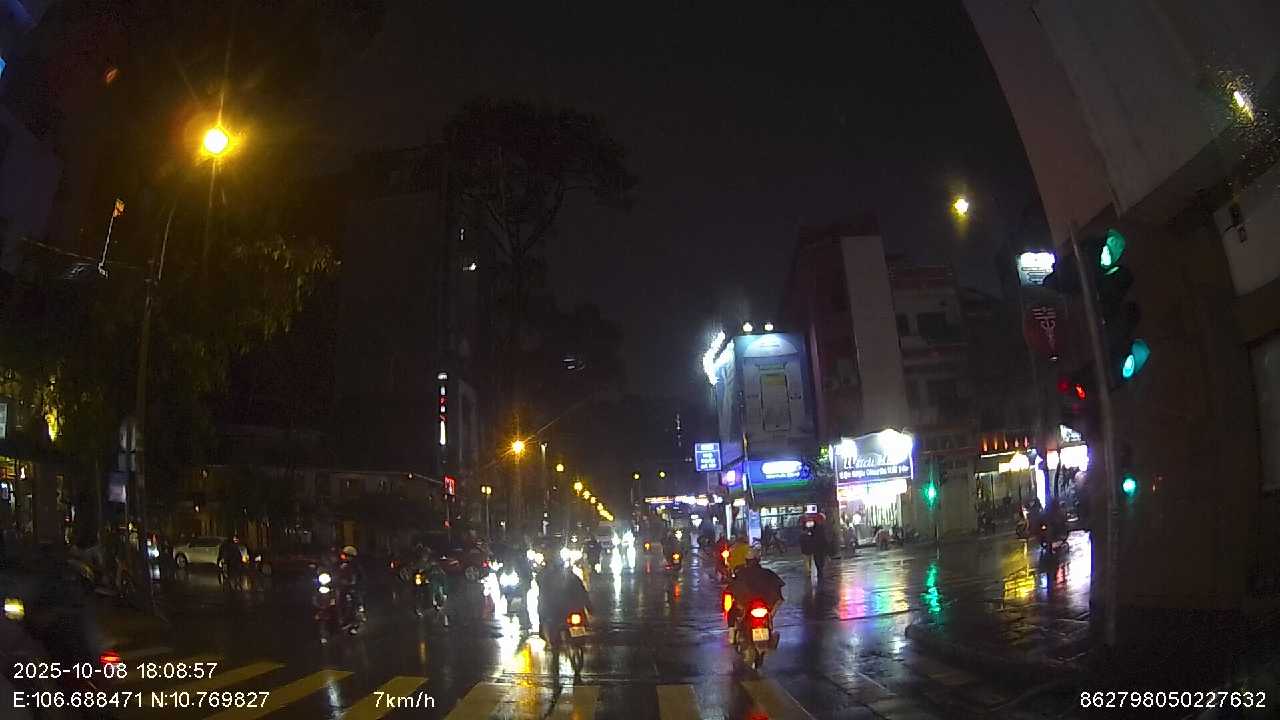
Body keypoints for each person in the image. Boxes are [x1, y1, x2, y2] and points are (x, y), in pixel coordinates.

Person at [726, 547, 785, 637]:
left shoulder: (741, 573)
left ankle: (731, 636)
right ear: (758, 560)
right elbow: (778, 590)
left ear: (746, 560)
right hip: (764, 606)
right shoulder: (768, 573)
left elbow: (732, 587)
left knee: (731, 612)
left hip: (748, 605)